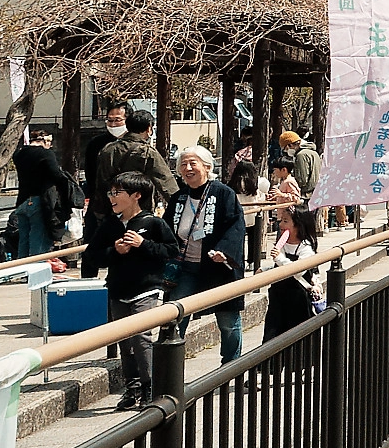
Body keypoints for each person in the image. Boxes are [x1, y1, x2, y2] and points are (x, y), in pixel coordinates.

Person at [82, 171, 178, 409]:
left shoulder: (153, 223)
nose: (111, 197)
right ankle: (132, 387)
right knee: (124, 340)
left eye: (117, 193)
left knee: (141, 337)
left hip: (147, 289)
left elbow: (171, 251)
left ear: (137, 195)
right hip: (118, 290)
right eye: (110, 192)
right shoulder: (109, 225)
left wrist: (143, 244)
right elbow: (92, 256)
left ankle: (149, 387)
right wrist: (114, 251)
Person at [164, 146, 247, 366]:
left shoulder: (223, 193)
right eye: (183, 164)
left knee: (228, 321)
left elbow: (235, 226)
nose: (187, 168)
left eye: (193, 163)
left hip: (217, 267)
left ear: (207, 167)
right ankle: (169, 370)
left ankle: (231, 366)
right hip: (185, 268)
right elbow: (166, 230)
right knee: (174, 318)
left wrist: (225, 252)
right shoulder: (179, 198)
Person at [8, 129, 77, 260]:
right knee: (39, 241)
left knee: (24, 241)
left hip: (22, 202)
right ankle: (37, 269)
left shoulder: (19, 154)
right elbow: (57, 175)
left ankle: (22, 269)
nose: (50, 145)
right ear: (44, 140)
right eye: (49, 142)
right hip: (40, 201)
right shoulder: (45, 153)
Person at [262, 208, 323, 342]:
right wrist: (264, 269)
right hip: (278, 297)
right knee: (272, 337)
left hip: (297, 299)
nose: (280, 225)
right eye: (281, 220)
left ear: (298, 226)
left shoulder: (306, 248)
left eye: (285, 221)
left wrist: (279, 258)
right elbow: (277, 267)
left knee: (297, 337)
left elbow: (298, 270)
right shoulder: (282, 245)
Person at [97, 109, 178, 210]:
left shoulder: (108, 149)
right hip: (138, 207)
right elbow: (166, 182)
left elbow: (100, 180)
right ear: (149, 128)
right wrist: (179, 204)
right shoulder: (147, 152)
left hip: (110, 206)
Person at [81, 101, 131, 239]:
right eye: (110, 120)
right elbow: (90, 173)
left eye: (118, 120)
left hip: (129, 203)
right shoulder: (96, 143)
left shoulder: (136, 145)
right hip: (100, 203)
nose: (113, 124)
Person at [282, 130, 323, 226]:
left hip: (306, 196)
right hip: (316, 193)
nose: (286, 152)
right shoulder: (313, 153)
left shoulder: (301, 155)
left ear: (290, 145)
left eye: (285, 148)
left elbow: (302, 180)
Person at [265, 154, 303, 235]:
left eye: (275, 170)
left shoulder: (290, 181)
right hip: (281, 216)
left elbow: (296, 198)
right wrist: (273, 197)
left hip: (287, 217)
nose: (274, 172)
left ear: (284, 170)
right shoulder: (284, 181)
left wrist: (282, 195)